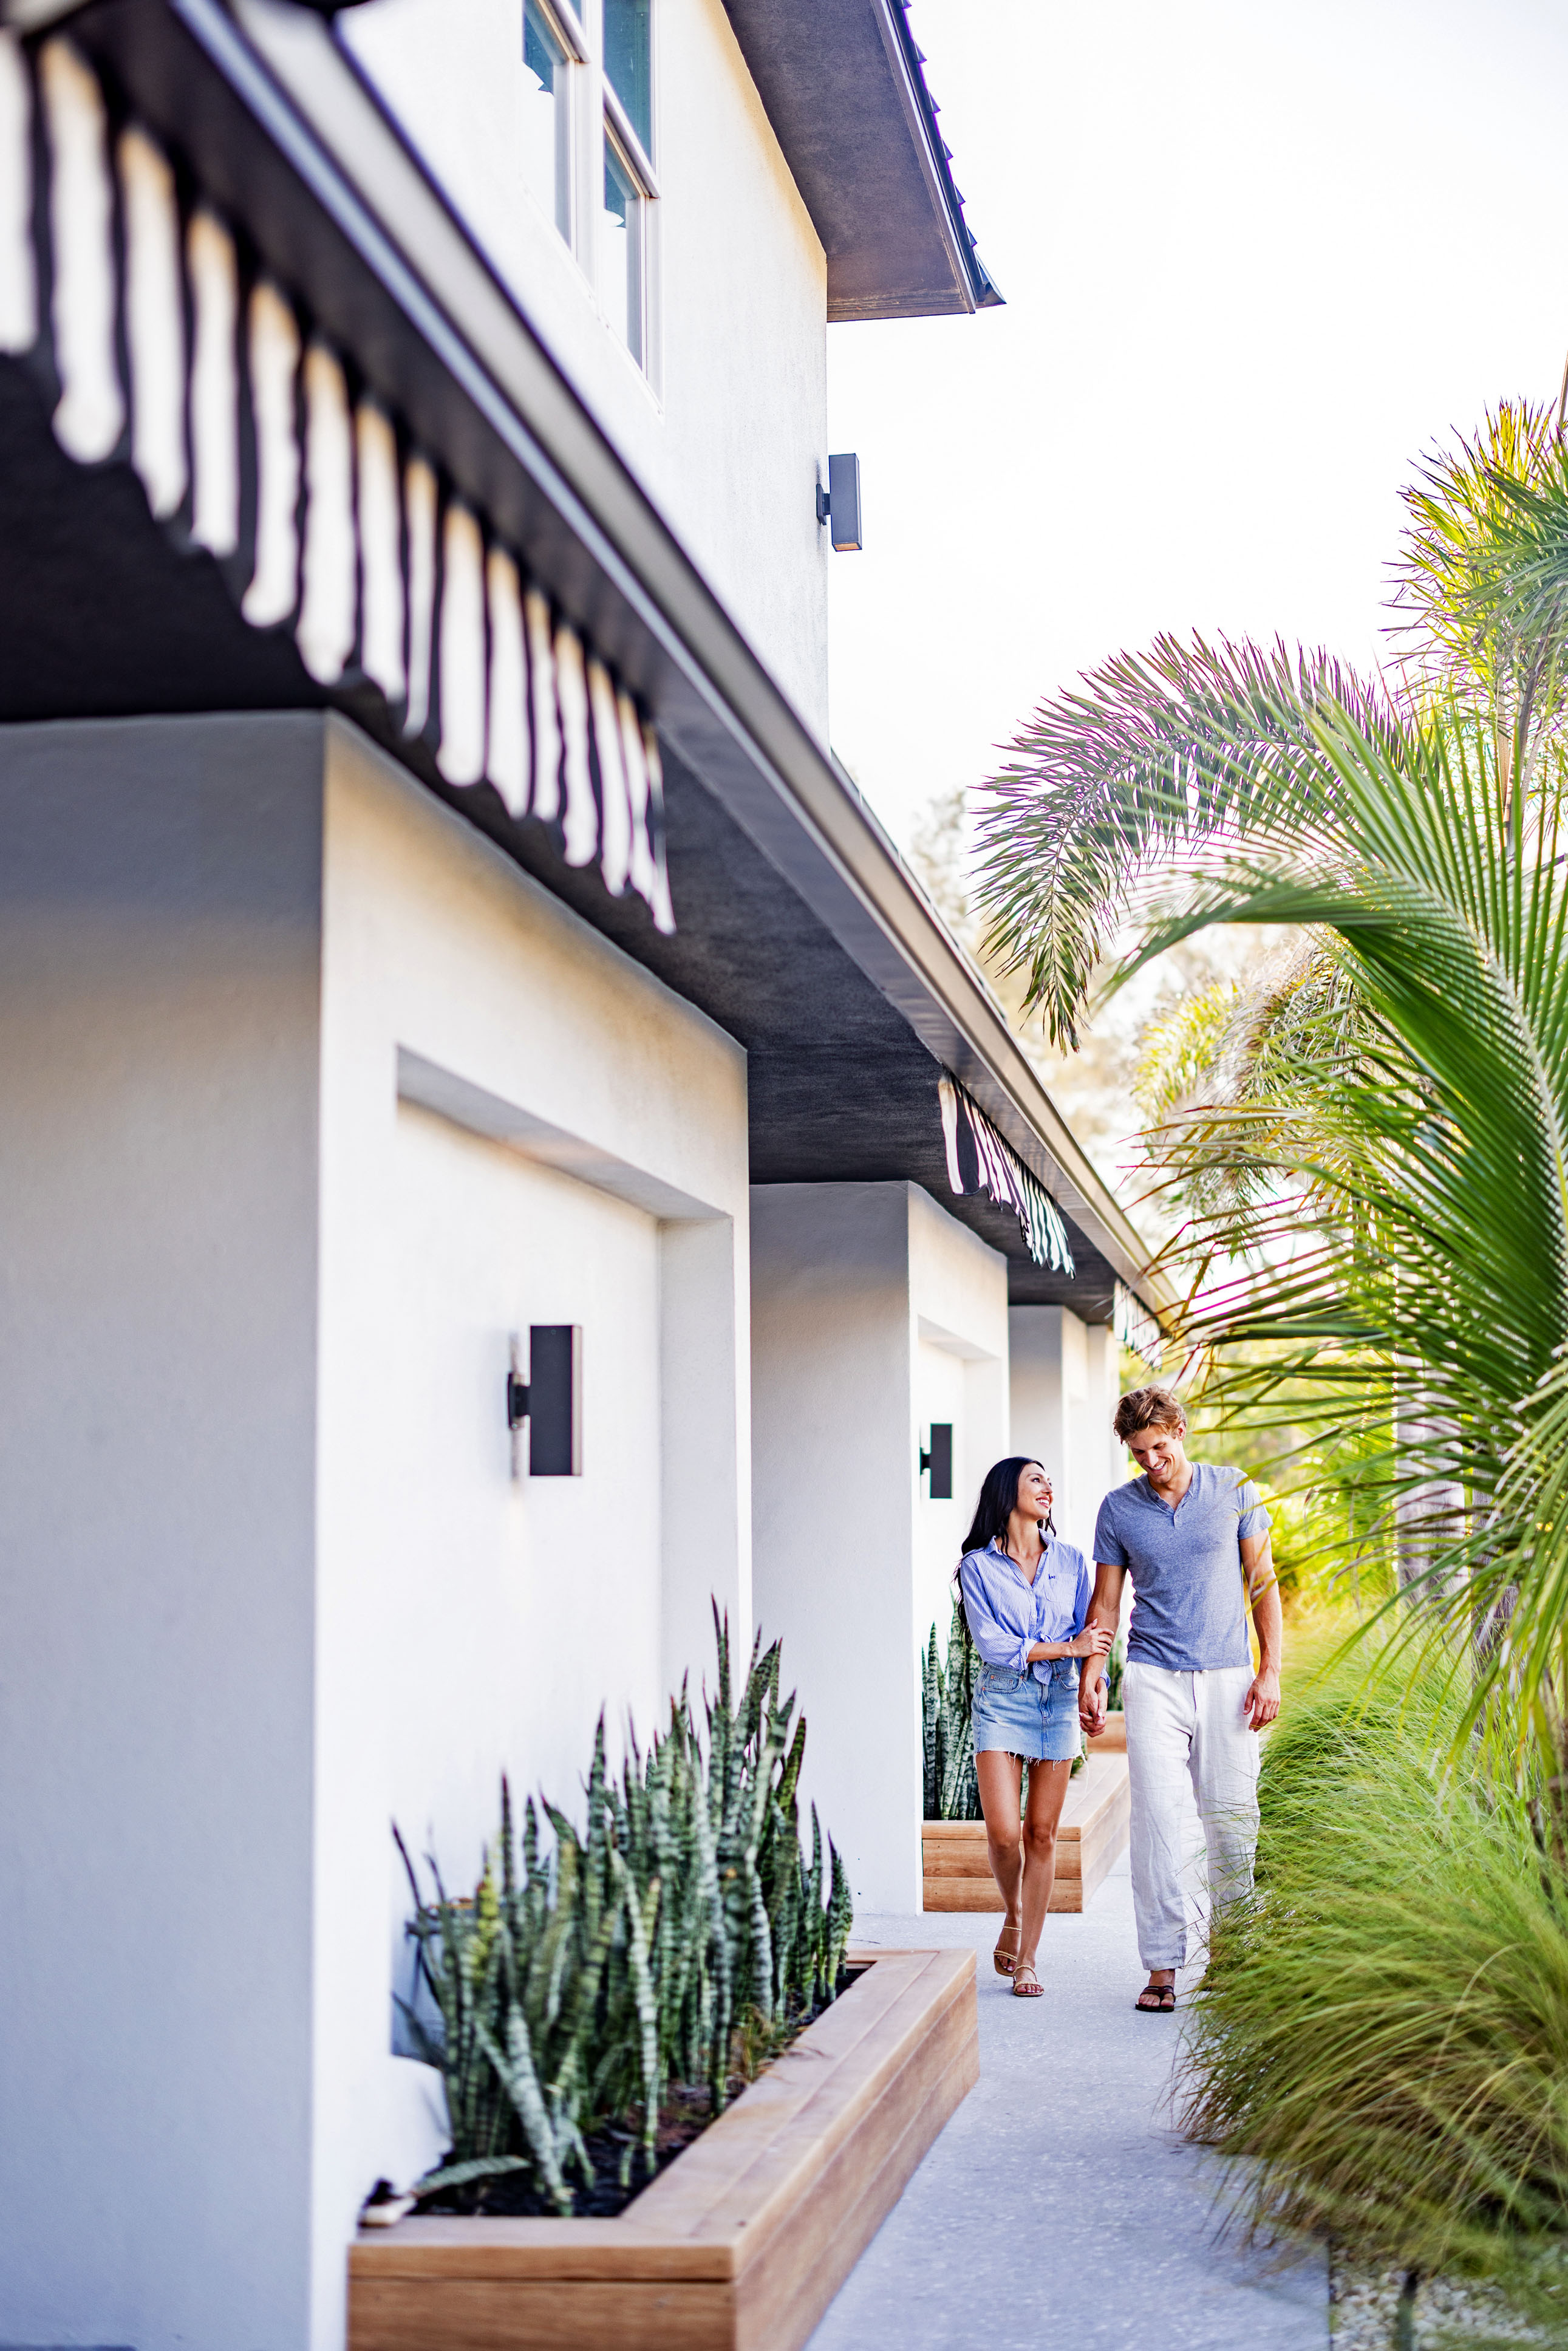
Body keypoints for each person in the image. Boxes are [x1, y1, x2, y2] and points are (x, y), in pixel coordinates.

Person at [1079, 1385, 1281, 2013]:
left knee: (1232, 1820)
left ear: (1181, 1430)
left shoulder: (1233, 1489)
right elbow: (1106, 1603)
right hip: (1153, 1678)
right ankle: (1162, 1966)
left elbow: (1262, 1584)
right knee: (1157, 1824)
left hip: (1228, 1677)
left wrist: (1270, 1670)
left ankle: (1232, 1956)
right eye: (1138, 1452)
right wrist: (1093, 1670)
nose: (1150, 1461)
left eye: (1159, 1447)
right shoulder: (1118, 1509)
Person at [958, 1457, 1114, 2000]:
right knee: (1004, 1833)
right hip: (1002, 1700)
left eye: (1049, 1480)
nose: (1048, 1487)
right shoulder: (977, 1567)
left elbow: (1093, 1633)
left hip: (1059, 1701)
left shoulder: (1070, 1561)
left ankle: (1027, 1959)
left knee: (1041, 1835)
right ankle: (1015, 1909)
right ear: (1008, 1493)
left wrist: (1095, 1686)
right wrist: (1069, 1648)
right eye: (1036, 1479)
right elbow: (993, 1644)